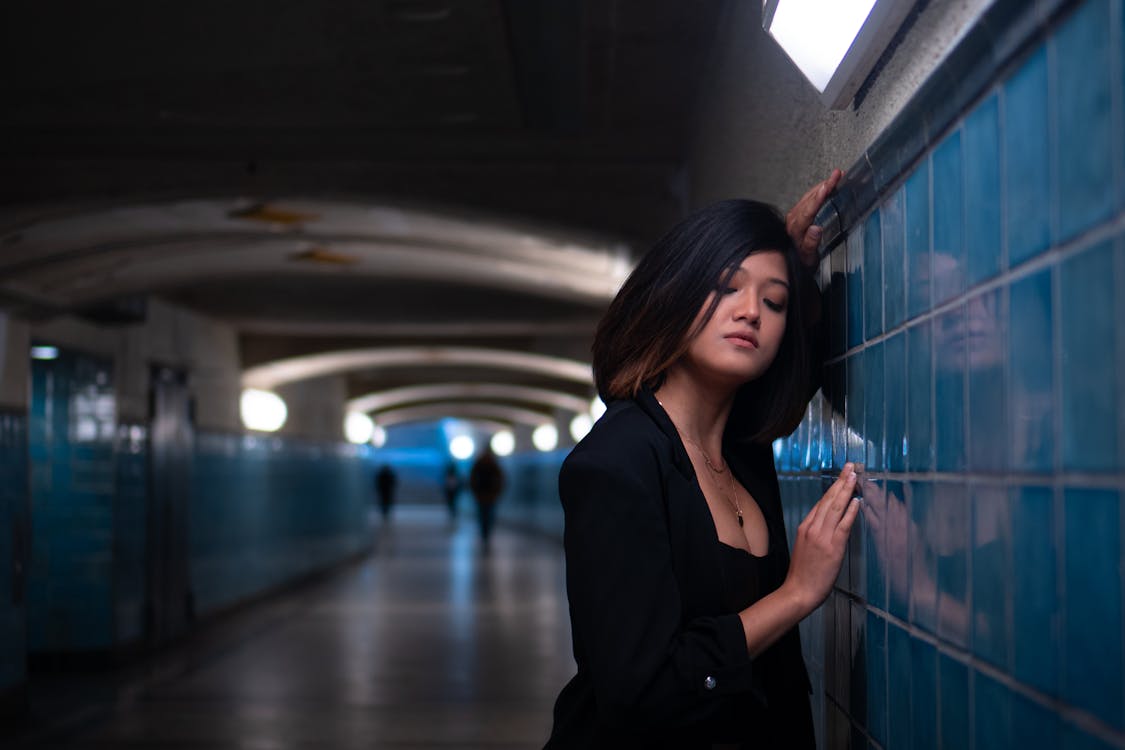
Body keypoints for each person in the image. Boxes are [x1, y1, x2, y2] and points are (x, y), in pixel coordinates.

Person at [545, 171, 862, 749]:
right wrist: (794, 594)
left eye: (773, 300)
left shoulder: (741, 450)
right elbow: (639, 693)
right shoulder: (614, 464)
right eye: (726, 287)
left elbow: (804, 365)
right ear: (676, 293)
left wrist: (796, 267)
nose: (751, 312)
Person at [469, 446, 505, 546]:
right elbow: (501, 480)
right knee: (487, 515)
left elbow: (472, 480)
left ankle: (485, 533)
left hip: (485, 496)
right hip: (487, 496)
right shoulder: (492, 465)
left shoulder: (480, 464)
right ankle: (485, 533)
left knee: (484, 515)